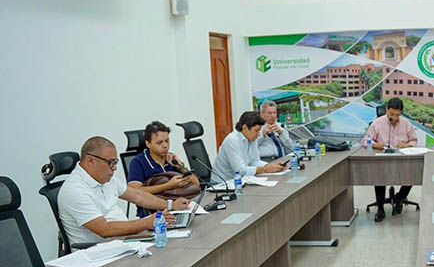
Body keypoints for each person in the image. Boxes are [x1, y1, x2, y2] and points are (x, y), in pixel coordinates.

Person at [58, 136, 189, 247]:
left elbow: (137, 195)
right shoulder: (74, 190)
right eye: (111, 162)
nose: (114, 168)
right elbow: (104, 229)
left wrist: (170, 205)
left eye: (115, 162)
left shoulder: (106, 179)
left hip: (123, 241)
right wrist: (146, 223)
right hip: (97, 253)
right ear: (91, 160)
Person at [127, 121, 199, 217]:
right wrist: (167, 186)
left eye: (167, 141)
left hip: (181, 207)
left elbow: (196, 183)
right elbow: (134, 192)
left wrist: (180, 166)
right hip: (155, 214)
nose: (165, 145)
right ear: (148, 144)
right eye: (159, 142)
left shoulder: (171, 159)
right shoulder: (138, 162)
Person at [362, 98, 417, 222]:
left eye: (397, 115)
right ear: (386, 110)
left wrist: (406, 145)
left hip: (401, 158)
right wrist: (376, 145)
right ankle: (380, 209)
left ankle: (400, 198)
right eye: (391, 114)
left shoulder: (406, 123)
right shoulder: (377, 123)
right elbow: (365, 141)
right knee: (379, 177)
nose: (394, 117)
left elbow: (414, 141)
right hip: (383, 158)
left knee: (412, 174)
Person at [212, 111, 286, 181]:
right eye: (256, 130)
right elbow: (240, 170)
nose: (258, 134)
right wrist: (265, 169)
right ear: (245, 128)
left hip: (241, 180)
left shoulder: (251, 138)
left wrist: (269, 166)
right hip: (222, 183)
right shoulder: (232, 140)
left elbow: (254, 161)